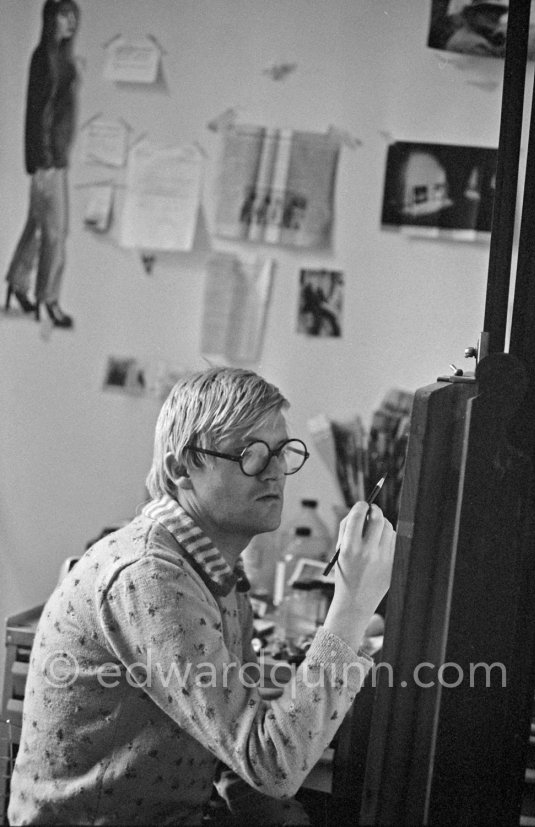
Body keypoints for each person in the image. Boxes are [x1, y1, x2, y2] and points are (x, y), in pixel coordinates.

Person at [8, 367, 396, 825]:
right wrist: (350, 607)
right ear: (180, 469)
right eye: (251, 454)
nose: (275, 472)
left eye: (282, 451)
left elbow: (237, 754)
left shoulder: (216, 571)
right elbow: (271, 762)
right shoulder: (151, 576)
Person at [4, 0, 79, 329]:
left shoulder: (60, 59)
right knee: (55, 232)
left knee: (38, 225)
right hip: (48, 159)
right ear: (51, 19)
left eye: (73, 15)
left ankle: (17, 283)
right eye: (64, 15)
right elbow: (40, 114)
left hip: (51, 157)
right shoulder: (46, 58)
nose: (71, 21)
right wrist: (45, 159)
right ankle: (47, 301)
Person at [444, 0, 509, 58]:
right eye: (487, 10)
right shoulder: (473, 44)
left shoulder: (472, 34)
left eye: (498, 12)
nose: (495, 16)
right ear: (472, 14)